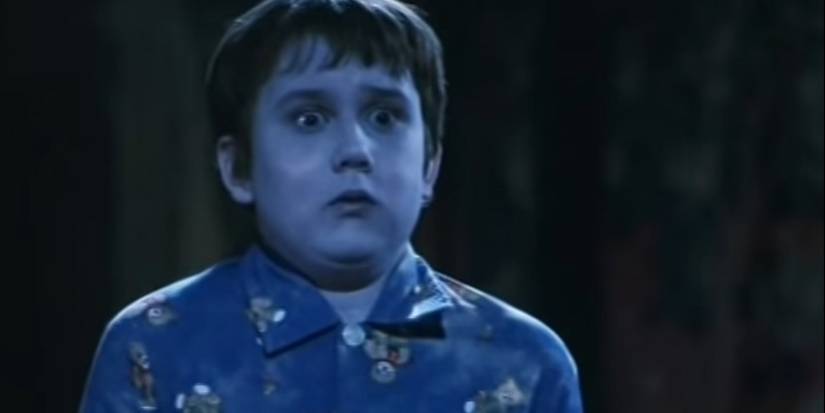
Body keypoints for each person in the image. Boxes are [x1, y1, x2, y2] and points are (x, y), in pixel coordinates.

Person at [79, 0, 584, 411]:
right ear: (239, 168)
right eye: (310, 119)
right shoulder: (155, 346)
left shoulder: (523, 360)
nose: (355, 151)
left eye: (384, 117)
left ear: (429, 166)